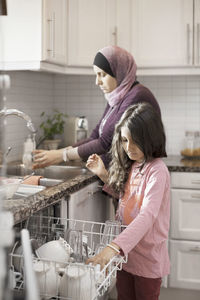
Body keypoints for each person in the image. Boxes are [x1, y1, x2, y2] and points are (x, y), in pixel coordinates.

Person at [86, 103, 170, 300]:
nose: (128, 148)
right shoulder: (134, 164)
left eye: (135, 141)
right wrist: (103, 174)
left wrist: (113, 247)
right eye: (124, 140)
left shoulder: (157, 171)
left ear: (150, 138)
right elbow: (127, 196)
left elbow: (147, 215)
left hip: (146, 260)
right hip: (125, 257)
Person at [32, 45, 160, 170]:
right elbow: (95, 137)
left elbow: (105, 142)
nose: (97, 81)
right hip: (117, 175)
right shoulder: (117, 97)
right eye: (96, 74)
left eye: (102, 75)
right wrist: (61, 152)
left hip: (141, 176)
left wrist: (62, 155)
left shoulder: (136, 96)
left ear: (119, 72)